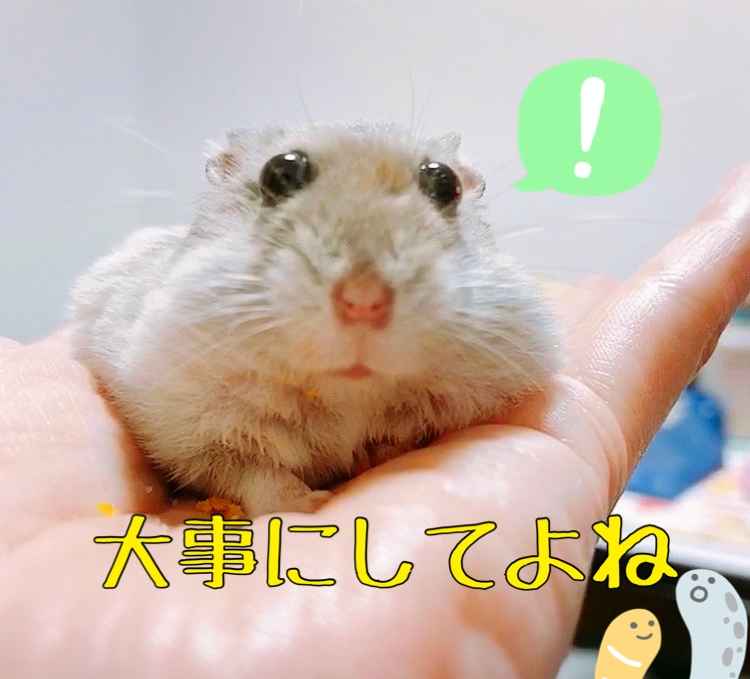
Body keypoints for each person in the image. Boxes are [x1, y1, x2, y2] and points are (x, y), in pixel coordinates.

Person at [1, 165, 749, 679]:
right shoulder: (178, 320)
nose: (361, 294)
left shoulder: (495, 334)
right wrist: (257, 478)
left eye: (435, 189)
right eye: (288, 179)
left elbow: (530, 359)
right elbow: (152, 382)